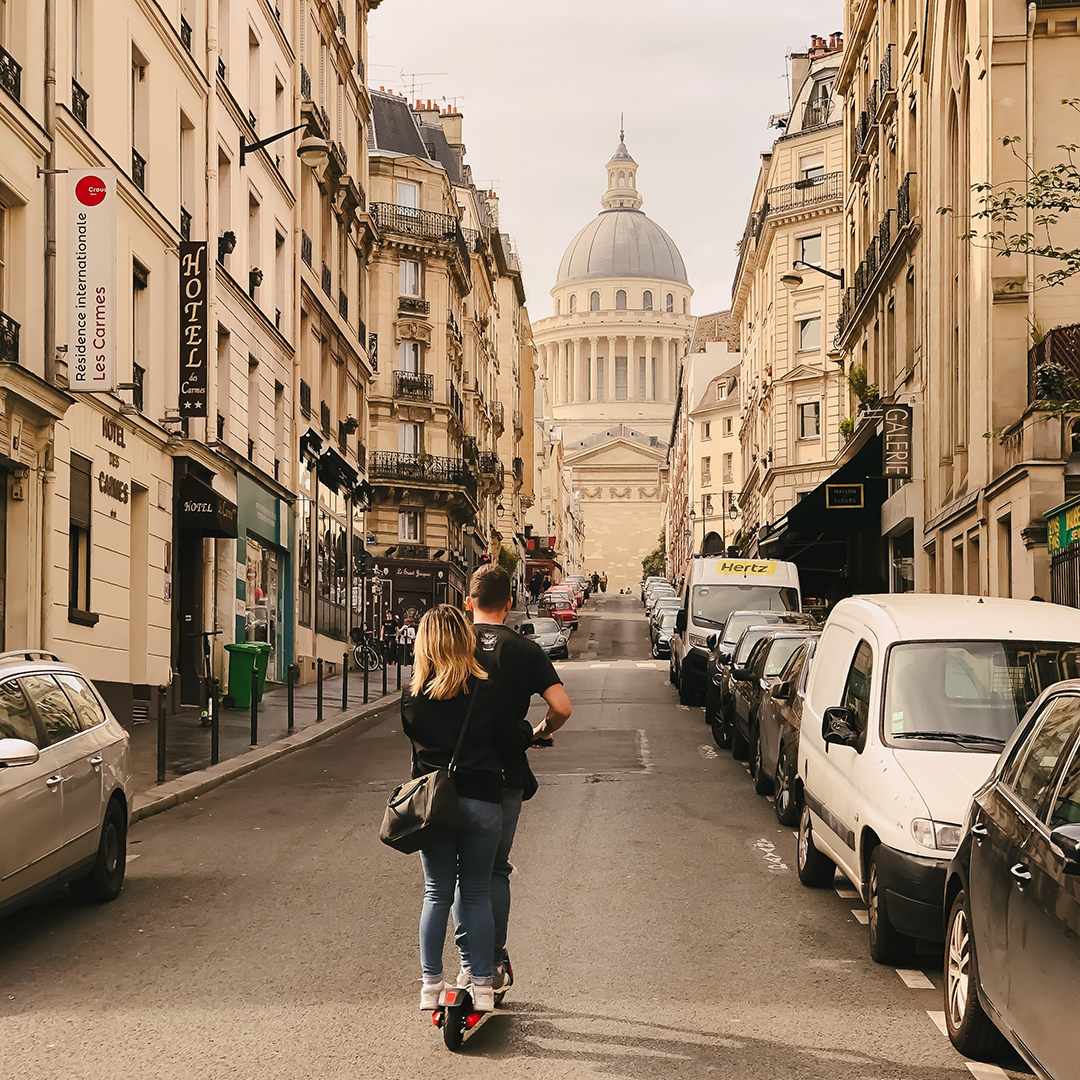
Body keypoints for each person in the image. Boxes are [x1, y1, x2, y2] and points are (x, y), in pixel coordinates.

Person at [400, 605, 533, 1013]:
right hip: (481, 802)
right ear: (465, 640)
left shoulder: (412, 697)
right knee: (475, 893)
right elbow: (512, 741)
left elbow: (418, 751)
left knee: (436, 893)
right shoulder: (486, 690)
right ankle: (481, 987)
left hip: (435, 807)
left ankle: (429, 986)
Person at [454, 566, 572, 990]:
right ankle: (495, 960)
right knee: (494, 871)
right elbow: (561, 707)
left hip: (454, 773)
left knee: (460, 873)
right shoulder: (525, 650)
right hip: (504, 772)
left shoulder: (452, 643)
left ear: (469, 601)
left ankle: (469, 964)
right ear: (508, 603)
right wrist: (538, 733)